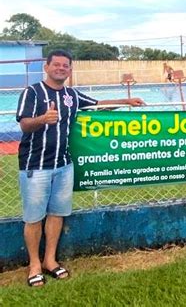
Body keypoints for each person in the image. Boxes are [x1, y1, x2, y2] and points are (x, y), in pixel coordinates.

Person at [16, 49, 145, 286]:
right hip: (35, 166)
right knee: (34, 218)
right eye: (57, 64)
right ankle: (34, 264)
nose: (61, 68)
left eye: (66, 66)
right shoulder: (32, 92)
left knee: (57, 214)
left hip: (64, 166)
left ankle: (50, 260)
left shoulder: (71, 95)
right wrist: (43, 119)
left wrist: (126, 101)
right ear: (46, 67)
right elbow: (24, 124)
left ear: (70, 70)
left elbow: (97, 105)